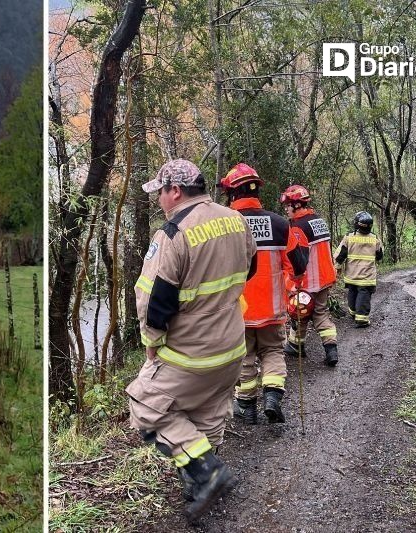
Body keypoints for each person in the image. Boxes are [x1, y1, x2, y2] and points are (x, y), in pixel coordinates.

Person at [125, 159, 257, 523]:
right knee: (208, 411)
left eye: (161, 192)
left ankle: (206, 471)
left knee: (145, 405)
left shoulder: (172, 233)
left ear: (176, 191)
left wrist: (152, 343)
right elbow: (251, 268)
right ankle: (198, 485)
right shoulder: (235, 219)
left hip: (190, 353)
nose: (159, 201)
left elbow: (154, 300)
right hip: (232, 346)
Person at [220, 163, 308, 425]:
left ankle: (246, 406)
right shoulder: (280, 224)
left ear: (232, 194)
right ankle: (272, 396)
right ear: (257, 191)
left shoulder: (223, 225)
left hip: (238, 309)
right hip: (272, 308)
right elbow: (298, 265)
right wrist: (296, 286)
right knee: (272, 351)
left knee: (244, 355)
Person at [279, 185, 340, 366]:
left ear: (297, 205)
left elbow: (298, 259)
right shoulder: (318, 221)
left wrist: (292, 283)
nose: (286, 209)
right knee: (319, 312)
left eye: (288, 205)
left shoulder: (298, 227)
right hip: (325, 278)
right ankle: (330, 349)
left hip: (308, 280)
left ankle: (297, 345)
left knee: (299, 312)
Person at [335, 211, 383, 327]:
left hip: (352, 275)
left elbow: (340, 255)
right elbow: (380, 256)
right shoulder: (375, 239)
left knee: (352, 292)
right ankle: (361, 319)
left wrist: (337, 268)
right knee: (364, 294)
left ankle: (353, 312)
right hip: (367, 276)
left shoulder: (349, 237)